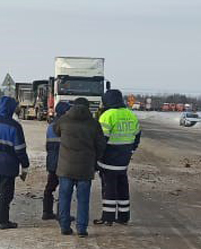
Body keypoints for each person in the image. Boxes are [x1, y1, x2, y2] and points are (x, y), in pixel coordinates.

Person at [53, 97, 106, 237]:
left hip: (65, 167)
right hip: (85, 168)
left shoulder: (64, 120)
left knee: (64, 197)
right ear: (88, 107)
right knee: (83, 199)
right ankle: (81, 229)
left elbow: (55, 130)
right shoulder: (94, 124)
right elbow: (101, 145)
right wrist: (95, 159)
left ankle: (64, 226)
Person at [0, 96, 29, 229]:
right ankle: (3, 221)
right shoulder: (14, 126)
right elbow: (20, 149)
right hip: (8, 165)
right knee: (6, 193)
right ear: (11, 108)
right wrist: (25, 165)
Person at [94, 89, 141, 225]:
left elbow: (101, 140)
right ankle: (123, 216)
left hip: (108, 159)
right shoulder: (131, 115)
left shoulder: (107, 115)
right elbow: (137, 135)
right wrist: (131, 150)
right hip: (123, 160)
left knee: (109, 188)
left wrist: (97, 157)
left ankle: (108, 217)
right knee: (122, 188)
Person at [42, 101, 71, 220]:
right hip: (64, 161)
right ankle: (62, 214)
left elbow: (48, 146)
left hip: (52, 160)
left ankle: (47, 211)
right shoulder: (67, 126)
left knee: (50, 187)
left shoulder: (50, 126)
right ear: (65, 112)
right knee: (64, 188)